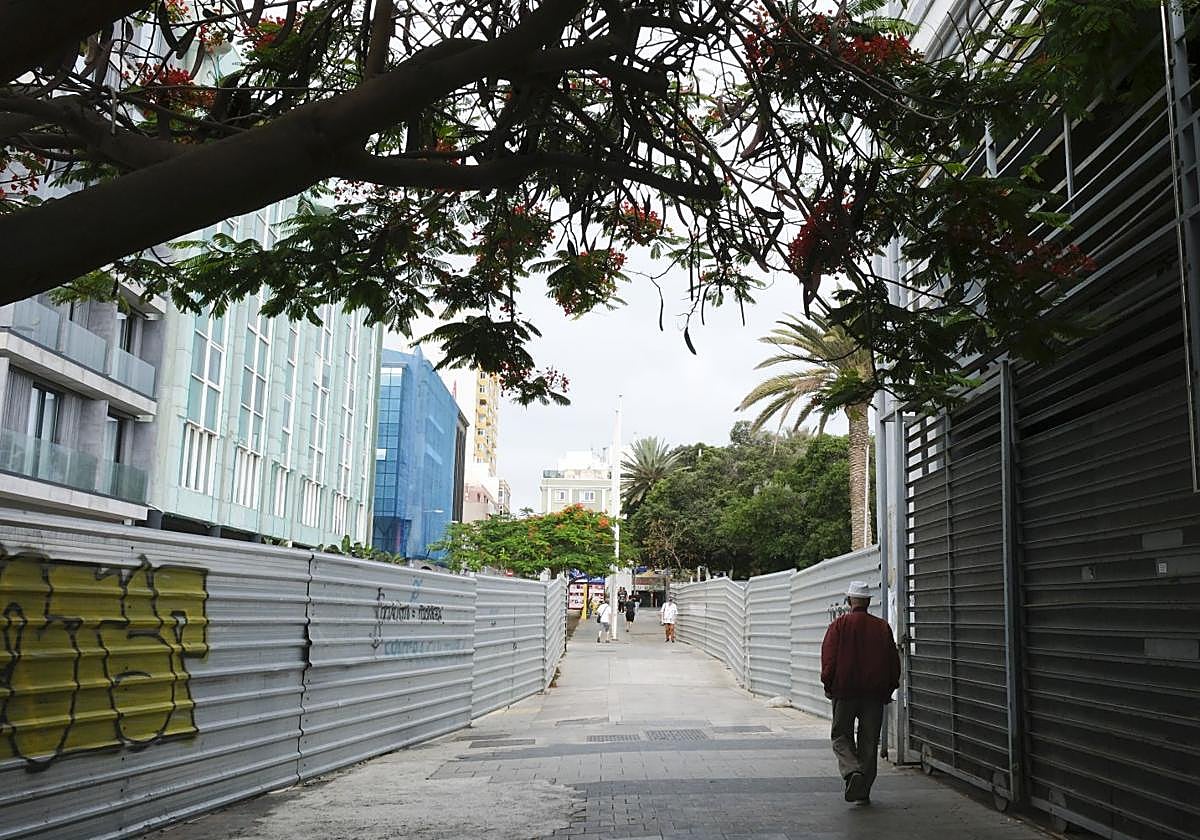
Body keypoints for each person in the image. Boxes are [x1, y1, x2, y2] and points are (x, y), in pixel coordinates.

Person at [820, 580, 901, 805]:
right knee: (869, 741)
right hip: (874, 695)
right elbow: (893, 662)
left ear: (849, 601)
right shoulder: (882, 627)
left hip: (844, 692)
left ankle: (851, 771)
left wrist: (829, 685)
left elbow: (829, 659)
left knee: (840, 736)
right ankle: (863, 790)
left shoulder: (839, 626)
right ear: (868, 602)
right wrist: (889, 687)